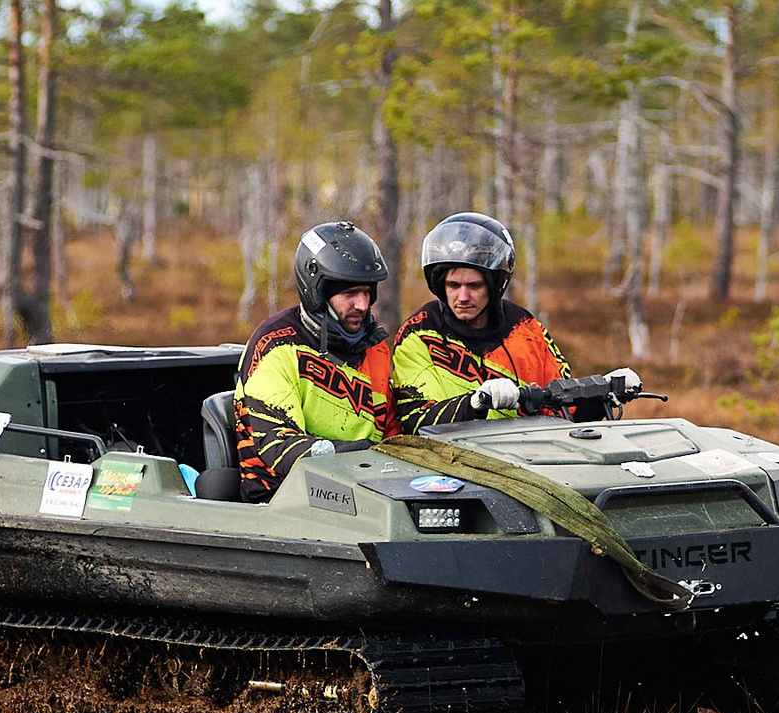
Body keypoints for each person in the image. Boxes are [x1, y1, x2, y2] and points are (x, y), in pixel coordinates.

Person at [392, 211, 625, 432]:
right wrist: (474, 403)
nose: (462, 297)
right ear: (440, 285)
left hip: (526, 453)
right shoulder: (418, 333)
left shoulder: (526, 329)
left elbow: (564, 412)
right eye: (453, 285)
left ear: (495, 285)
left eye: (474, 286)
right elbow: (414, 420)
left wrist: (603, 392)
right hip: (447, 455)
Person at [232, 222, 398, 502]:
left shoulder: (375, 347)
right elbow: (277, 447)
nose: (362, 305)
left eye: (367, 292)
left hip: (364, 487)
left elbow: (391, 431)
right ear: (317, 293)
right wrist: (359, 455)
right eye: (350, 294)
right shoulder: (276, 345)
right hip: (279, 495)